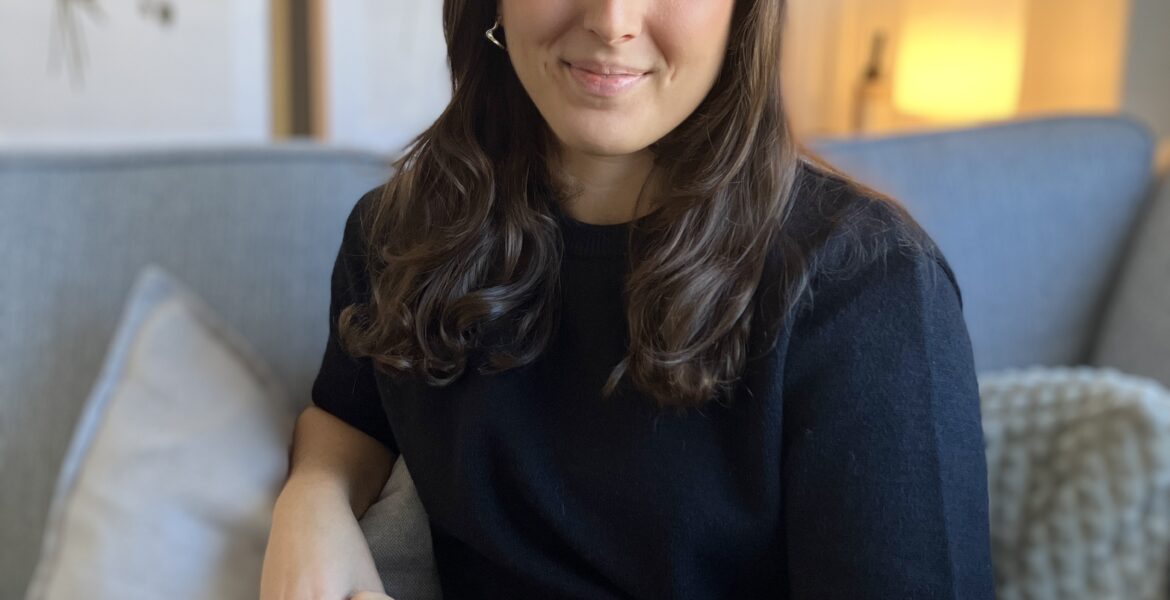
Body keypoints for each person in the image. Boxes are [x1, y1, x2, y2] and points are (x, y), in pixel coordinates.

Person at [261, 0, 997, 598]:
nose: (612, 20)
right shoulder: (399, 235)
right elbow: (347, 414)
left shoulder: (871, 289)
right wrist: (314, 498)